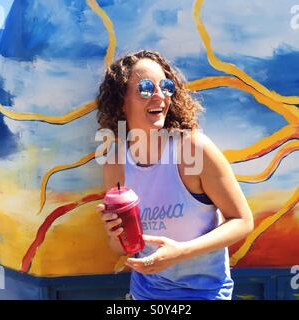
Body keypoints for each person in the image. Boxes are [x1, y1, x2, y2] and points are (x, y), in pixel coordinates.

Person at [95, 50, 254, 300]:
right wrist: (116, 234)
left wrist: (181, 252)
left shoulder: (193, 150)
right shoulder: (115, 164)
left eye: (166, 87)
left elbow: (243, 221)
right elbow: (121, 248)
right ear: (121, 101)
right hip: (145, 293)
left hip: (204, 292)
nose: (160, 96)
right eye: (146, 88)